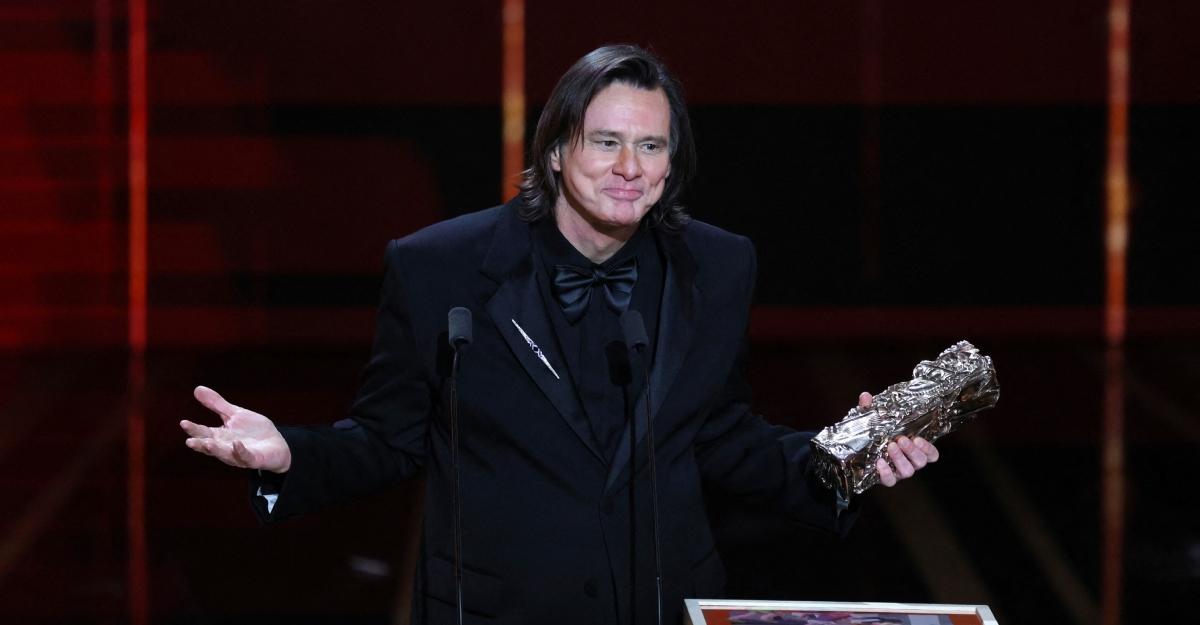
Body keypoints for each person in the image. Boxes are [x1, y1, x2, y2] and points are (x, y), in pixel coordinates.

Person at [180, 44, 939, 625]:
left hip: (665, 602)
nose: (629, 168)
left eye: (652, 146)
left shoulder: (717, 263)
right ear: (555, 149)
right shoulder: (440, 268)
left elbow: (720, 434)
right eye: (606, 141)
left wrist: (853, 454)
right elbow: (389, 437)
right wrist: (289, 454)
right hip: (497, 610)